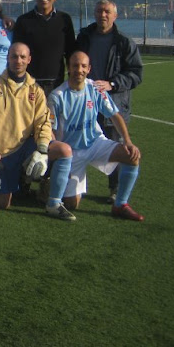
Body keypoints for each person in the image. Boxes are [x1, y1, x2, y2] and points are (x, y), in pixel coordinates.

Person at [46, 51, 144, 221]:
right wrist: (55, 155)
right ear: (69, 68)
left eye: (83, 66)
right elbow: (51, 131)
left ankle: (120, 204)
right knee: (72, 204)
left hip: (95, 143)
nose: (79, 70)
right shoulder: (57, 96)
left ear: (89, 68)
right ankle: (49, 185)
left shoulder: (95, 89)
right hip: (72, 151)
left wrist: (128, 141)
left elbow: (114, 115)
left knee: (132, 156)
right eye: (75, 65)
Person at [0, 43, 75, 219]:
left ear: (29, 60)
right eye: (14, 56)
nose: (18, 60)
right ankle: (3, 181)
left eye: (23, 57)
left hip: (25, 147)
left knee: (64, 150)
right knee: (2, 203)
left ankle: (54, 203)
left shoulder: (36, 91)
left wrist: (41, 150)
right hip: (0, 153)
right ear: (8, 58)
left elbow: (43, 123)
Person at [76, 0, 143, 202]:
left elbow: (136, 73)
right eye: (98, 11)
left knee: (116, 147)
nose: (102, 15)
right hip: (84, 102)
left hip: (113, 103)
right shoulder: (85, 36)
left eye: (106, 12)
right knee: (76, 142)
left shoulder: (124, 41)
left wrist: (112, 83)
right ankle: (72, 184)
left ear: (115, 15)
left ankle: (115, 190)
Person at [12, 0, 76, 95]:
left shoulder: (64, 20)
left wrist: (72, 78)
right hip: (29, 84)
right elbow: (16, 53)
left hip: (57, 85)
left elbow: (70, 52)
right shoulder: (23, 21)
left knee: (52, 114)